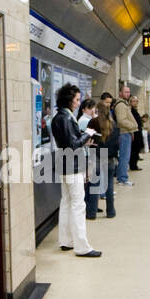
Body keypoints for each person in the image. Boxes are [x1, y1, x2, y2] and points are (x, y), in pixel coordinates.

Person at [49, 83, 101, 257]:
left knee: (66, 202)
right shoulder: (65, 118)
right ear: (69, 100)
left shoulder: (59, 117)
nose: (79, 103)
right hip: (72, 166)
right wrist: (87, 134)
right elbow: (72, 145)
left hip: (64, 165)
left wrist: (82, 136)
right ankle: (82, 246)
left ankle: (66, 241)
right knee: (79, 205)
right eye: (77, 100)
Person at [86, 101, 116, 219]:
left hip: (96, 154)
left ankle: (92, 213)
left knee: (94, 183)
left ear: (97, 111)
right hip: (109, 156)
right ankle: (111, 211)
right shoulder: (113, 123)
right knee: (109, 184)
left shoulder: (93, 122)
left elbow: (86, 136)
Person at [113, 83, 138, 185]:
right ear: (120, 93)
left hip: (126, 132)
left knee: (124, 156)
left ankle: (121, 177)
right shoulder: (121, 106)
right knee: (124, 156)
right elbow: (121, 120)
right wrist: (133, 126)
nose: (128, 94)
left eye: (128, 92)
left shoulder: (124, 104)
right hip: (123, 133)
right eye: (125, 92)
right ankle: (123, 178)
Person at [129, 95, 145, 170]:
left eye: (137, 101)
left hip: (138, 131)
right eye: (134, 101)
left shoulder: (135, 110)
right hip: (135, 132)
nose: (136, 103)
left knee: (136, 149)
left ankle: (134, 164)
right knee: (134, 149)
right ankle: (133, 165)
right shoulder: (131, 111)